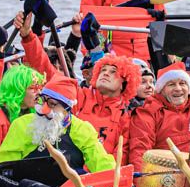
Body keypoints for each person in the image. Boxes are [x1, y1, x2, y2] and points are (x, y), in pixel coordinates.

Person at [18, 12, 139, 158]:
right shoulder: (78, 96)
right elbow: (45, 69)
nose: (106, 73)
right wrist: (27, 36)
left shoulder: (127, 117)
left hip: (99, 175)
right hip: (64, 169)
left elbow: (122, 157)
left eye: (113, 72)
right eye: (103, 70)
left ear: (125, 84)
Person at [0, 76, 116, 174]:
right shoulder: (21, 124)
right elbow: (4, 168)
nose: (44, 109)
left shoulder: (82, 129)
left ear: (67, 109)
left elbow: (103, 166)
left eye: (52, 104)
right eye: (42, 100)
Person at [0, 62, 45, 167]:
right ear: (17, 90)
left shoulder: (36, 116)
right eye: (32, 88)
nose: (39, 92)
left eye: (40, 88)